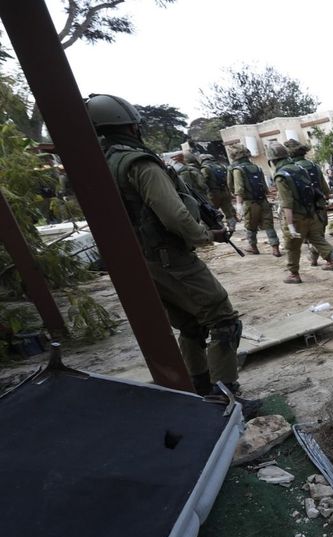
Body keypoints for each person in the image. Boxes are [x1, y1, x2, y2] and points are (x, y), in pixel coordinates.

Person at [85, 93, 259, 415]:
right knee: (223, 320)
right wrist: (207, 235)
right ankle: (225, 397)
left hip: (143, 260)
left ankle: (199, 388)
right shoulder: (139, 163)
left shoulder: (104, 163)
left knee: (191, 325)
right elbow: (174, 214)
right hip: (170, 257)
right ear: (132, 126)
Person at [266, 141, 333, 283]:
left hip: (296, 218)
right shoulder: (301, 168)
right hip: (312, 214)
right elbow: (321, 191)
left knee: (293, 247)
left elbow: (287, 204)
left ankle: (294, 274)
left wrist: (291, 226)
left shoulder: (281, 175)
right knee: (319, 241)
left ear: (272, 160)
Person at [227, 143, 281, 257]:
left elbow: (239, 189)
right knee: (269, 225)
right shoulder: (256, 167)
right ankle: (275, 248)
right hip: (263, 201)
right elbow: (265, 188)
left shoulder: (237, 170)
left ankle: (253, 247)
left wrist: (239, 206)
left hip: (250, 203)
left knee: (250, 226)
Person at [200, 153, 238, 232]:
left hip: (213, 194)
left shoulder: (205, 168)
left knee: (213, 212)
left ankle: (221, 228)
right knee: (228, 212)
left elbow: (202, 182)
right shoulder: (222, 166)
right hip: (225, 192)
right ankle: (232, 227)